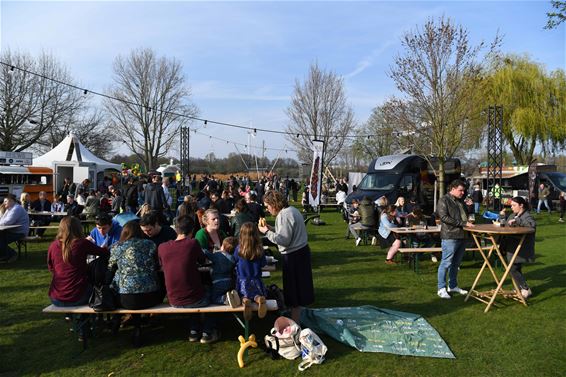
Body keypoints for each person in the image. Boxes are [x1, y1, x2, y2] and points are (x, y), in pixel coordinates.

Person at [158, 215, 219, 343]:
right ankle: (208, 331)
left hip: (173, 299)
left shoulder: (162, 247)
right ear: (192, 231)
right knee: (213, 292)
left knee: (193, 289)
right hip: (194, 299)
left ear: (176, 229)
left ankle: (194, 329)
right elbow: (202, 260)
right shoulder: (192, 243)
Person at [259, 190, 314, 323]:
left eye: (268, 206)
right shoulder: (292, 210)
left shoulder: (284, 215)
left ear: (274, 204)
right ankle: (296, 320)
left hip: (294, 256)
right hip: (301, 253)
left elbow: (283, 240)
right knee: (299, 291)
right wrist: (271, 228)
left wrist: (266, 232)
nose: (267, 209)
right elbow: (286, 232)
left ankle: (295, 325)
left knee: (295, 294)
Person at [108, 221, 162, 346]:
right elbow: (156, 265)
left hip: (126, 299)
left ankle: (122, 322)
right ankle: (137, 326)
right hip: (151, 296)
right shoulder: (150, 244)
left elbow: (110, 267)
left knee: (118, 282)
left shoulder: (118, 247)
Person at [48, 216, 108, 306]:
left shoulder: (53, 246)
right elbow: (104, 253)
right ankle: (85, 319)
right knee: (98, 287)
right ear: (78, 228)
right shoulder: (81, 243)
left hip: (56, 297)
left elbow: (51, 268)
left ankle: (75, 317)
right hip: (78, 296)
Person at [436, 179, 474, 299]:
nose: (463, 192)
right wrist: (463, 223)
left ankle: (452, 286)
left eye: (463, 190)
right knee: (446, 263)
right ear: (452, 189)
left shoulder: (460, 201)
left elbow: (465, 216)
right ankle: (441, 288)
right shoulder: (444, 200)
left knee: (456, 263)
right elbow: (444, 217)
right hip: (450, 236)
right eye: (460, 190)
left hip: (462, 235)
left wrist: (470, 207)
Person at [499, 197, 536, 299]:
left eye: (514, 205)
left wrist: (517, 220)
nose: (512, 207)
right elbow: (507, 225)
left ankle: (525, 289)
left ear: (521, 205)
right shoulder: (512, 215)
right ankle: (519, 288)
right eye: (511, 205)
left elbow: (531, 226)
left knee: (512, 268)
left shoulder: (527, 216)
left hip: (522, 247)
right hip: (512, 246)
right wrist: (502, 217)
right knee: (515, 268)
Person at [233, 222, 268, 320]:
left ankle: (246, 302)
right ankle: (259, 299)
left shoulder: (239, 249)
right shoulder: (259, 249)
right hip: (256, 280)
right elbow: (264, 263)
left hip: (243, 280)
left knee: (243, 296)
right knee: (257, 295)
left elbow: (234, 260)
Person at [203, 236, 237, 305]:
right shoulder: (233, 258)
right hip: (230, 281)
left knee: (214, 298)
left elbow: (209, 255)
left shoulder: (217, 255)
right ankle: (233, 296)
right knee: (225, 292)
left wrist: (203, 250)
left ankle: (225, 299)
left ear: (223, 247)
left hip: (218, 282)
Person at [0, 193, 30, 262]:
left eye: (5, 201)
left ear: (11, 201)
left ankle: (12, 254)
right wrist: (1, 212)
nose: (4, 203)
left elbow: (7, 222)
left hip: (20, 232)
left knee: (1, 239)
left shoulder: (16, 209)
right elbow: (2, 220)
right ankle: (4, 255)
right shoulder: (10, 209)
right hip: (12, 231)